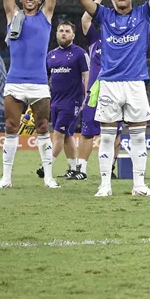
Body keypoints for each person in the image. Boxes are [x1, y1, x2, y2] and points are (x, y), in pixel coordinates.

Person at [74, 0, 150, 197]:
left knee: (138, 136)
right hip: (109, 83)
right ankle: (105, 184)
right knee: (106, 138)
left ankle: (139, 184)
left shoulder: (143, 14)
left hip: (135, 83)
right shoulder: (104, 15)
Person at [0, 0, 60, 189]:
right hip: (15, 82)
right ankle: (6, 179)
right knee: (11, 127)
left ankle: (50, 178)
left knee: (43, 127)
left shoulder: (46, 16)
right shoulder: (13, 16)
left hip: (39, 83)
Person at [46, 19, 89, 180]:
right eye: (61, 31)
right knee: (67, 135)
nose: (64, 33)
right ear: (56, 34)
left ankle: (46, 165)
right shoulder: (51, 55)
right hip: (55, 102)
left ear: (73, 35)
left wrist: (87, 96)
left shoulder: (80, 53)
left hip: (72, 102)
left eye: (67, 31)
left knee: (57, 134)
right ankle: (73, 168)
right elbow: (45, 78)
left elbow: (87, 75)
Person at [76, 0, 109, 181]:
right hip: (94, 93)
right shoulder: (96, 39)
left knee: (114, 132)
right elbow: (85, 22)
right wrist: (96, 2)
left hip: (114, 89)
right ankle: (81, 169)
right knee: (88, 132)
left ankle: (109, 168)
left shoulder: (123, 40)